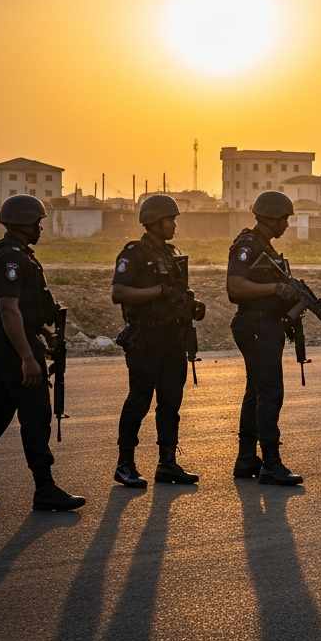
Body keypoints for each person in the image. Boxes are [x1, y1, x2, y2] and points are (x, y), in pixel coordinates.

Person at [0, 195, 85, 512]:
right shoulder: (12, 258)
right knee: (35, 414)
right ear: (25, 224)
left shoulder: (15, 254)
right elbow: (8, 309)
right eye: (38, 223)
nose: (41, 228)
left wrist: (44, 334)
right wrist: (27, 357)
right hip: (12, 343)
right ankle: (45, 489)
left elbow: (23, 309)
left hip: (9, 339)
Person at [112, 194, 204, 487]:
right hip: (145, 339)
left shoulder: (171, 253)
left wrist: (191, 304)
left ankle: (167, 463)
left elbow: (176, 292)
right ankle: (125, 464)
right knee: (139, 401)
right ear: (154, 222)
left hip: (172, 339)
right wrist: (157, 292)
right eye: (170, 220)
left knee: (170, 403)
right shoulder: (134, 253)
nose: (174, 225)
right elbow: (119, 293)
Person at [227, 190, 303, 486]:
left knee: (256, 392)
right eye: (284, 219)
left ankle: (247, 459)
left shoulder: (266, 248)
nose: (286, 225)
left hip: (265, 325)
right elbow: (235, 287)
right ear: (272, 218)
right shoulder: (247, 246)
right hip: (256, 325)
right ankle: (271, 463)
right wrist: (275, 289)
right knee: (270, 393)